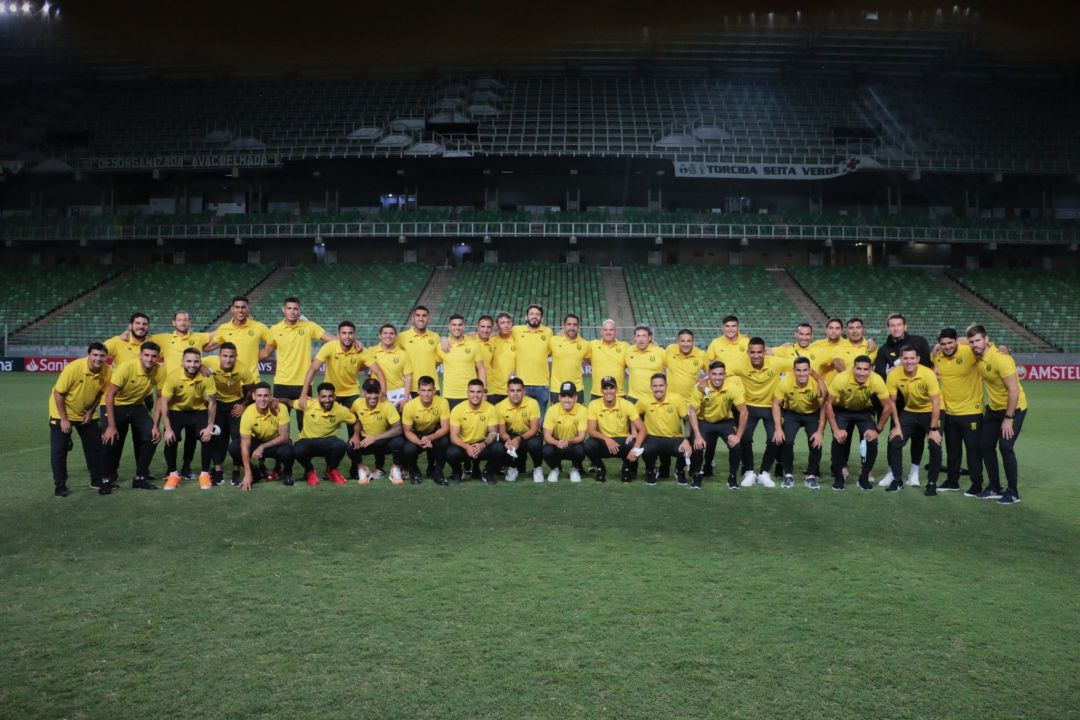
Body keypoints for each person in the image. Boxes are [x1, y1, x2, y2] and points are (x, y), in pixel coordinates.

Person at [968, 325, 1028, 505]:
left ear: (986, 340)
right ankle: (994, 486)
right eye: (972, 342)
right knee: (985, 445)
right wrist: (938, 346)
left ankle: (1013, 492)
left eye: (978, 340)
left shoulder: (1001, 359)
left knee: (1005, 446)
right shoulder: (976, 354)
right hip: (994, 409)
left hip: (1014, 408)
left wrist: (1008, 419)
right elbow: (961, 342)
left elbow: (1014, 391)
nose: (974, 345)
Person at [875, 313, 933, 488]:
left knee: (918, 437)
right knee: (894, 435)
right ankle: (893, 471)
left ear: (905, 326)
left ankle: (914, 472)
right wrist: (892, 371)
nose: (896, 328)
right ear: (888, 328)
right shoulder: (884, 349)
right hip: (897, 402)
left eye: (899, 324)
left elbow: (927, 367)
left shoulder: (920, 342)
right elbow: (880, 375)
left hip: (919, 400)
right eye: (892, 325)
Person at [260, 296, 335, 432]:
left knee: (304, 424)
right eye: (289, 308)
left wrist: (353, 342)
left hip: (303, 384)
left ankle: (303, 451)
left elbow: (332, 340)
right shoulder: (275, 329)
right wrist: (244, 360)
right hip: (282, 383)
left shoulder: (309, 326)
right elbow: (265, 353)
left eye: (295, 309)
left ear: (299, 311)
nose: (292, 311)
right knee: (280, 424)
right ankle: (284, 451)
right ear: (283, 310)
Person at [48, 342, 111, 497]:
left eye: (102, 356)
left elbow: (100, 394)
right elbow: (58, 393)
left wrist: (90, 412)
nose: (98, 358)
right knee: (59, 450)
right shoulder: (73, 368)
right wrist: (64, 419)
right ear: (88, 354)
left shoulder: (107, 371)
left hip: (85, 413)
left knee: (95, 447)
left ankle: (96, 480)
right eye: (95, 355)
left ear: (106, 357)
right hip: (61, 412)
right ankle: (60, 485)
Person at [825, 355, 893, 491]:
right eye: (858, 369)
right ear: (853, 368)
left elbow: (888, 406)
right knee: (838, 440)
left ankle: (864, 476)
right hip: (842, 411)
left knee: (872, 442)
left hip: (864, 412)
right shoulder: (841, 378)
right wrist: (836, 430)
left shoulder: (876, 380)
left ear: (871, 370)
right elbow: (828, 404)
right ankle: (839, 477)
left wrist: (877, 430)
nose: (861, 373)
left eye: (865, 369)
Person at [102, 342, 164, 490]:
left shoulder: (159, 371)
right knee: (110, 439)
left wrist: (156, 425)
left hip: (137, 405)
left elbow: (160, 398)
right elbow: (110, 395)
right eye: (146, 355)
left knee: (152, 436)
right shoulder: (126, 368)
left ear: (158, 358)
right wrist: (111, 426)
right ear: (140, 355)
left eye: (153, 356)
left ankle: (140, 477)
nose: (150, 359)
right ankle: (107, 479)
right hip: (115, 404)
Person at [728, 337, 789, 488]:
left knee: (774, 438)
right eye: (753, 352)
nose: (756, 356)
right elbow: (720, 371)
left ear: (765, 352)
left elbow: (800, 365)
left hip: (771, 407)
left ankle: (764, 473)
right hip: (749, 406)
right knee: (745, 438)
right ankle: (749, 471)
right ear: (747, 352)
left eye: (759, 352)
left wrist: (819, 380)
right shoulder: (740, 364)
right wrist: (704, 383)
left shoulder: (775, 362)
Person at [931, 328, 984, 494]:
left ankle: (977, 483)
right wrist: (935, 347)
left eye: (950, 342)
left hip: (971, 411)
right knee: (953, 450)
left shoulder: (969, 350)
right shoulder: (937, 355)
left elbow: (985, 345)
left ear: (956, 341)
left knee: (973, 450)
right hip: (949, 412)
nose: (946, 347)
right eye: (943, 343)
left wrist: (1005, 349)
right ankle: (952, 481)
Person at [884, 346, 942, 495]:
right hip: (910, 411)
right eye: (905, 358)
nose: (909, 361)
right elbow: (892, 402)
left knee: (935, 443)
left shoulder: (928, 374)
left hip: (930, 411)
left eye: (912, 358)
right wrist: (896, 426)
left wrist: (933, 429)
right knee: (895, 440)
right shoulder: (894, 375)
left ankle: (931, 483)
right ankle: (897, 480)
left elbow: (936, 402)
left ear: (918, 359)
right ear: (901, 359)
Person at [159, 348, 218, 490]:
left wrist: (210, 426)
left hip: (198, 410)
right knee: (170, 439)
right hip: (177, 410)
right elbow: (164, 402)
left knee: (207, 436)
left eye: (196, 361)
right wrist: (167, 428)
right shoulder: (173, 377)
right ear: (182, 362)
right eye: (189, 361)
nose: (192, 364)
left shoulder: (207, 376)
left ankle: (204, 475)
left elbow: (212, 402)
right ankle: (173, 475)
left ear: (200, 363)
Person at [201, 342, 259, 486]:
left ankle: (236, 470)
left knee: (237, 439)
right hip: (217, 403)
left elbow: (252, 389)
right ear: (219, 355)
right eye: (225, 356)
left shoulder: (242, 368)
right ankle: (218, 471)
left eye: (231, 356)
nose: (228, 359)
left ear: (236, 357)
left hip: (235, 404)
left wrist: (243, 405)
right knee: (217, 437)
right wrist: (201, 366)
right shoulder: (210, 361)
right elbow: (194, 363)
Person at [688, 361, 748, 489]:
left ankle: (732, 477)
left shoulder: (732, 387)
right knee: (697, 445)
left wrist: (738, 436)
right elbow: (692, 411)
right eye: (714, 374)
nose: (717, 377)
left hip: (724, 422)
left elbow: (744, 412)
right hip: (704, 422)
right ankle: (697, 475)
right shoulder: (700, 388)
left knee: (736, 445)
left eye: (721, 374)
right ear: (708, 374)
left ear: (725, 375)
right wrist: (697, 435)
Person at [771, 356, 826, 490]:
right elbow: (776, 404)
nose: (801, 373)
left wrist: (820, 432)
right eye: (798, 370)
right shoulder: (785, 382)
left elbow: (825, 407)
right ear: (793, 371)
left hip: (812, 414)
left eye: (804, 370)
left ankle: (811, 476)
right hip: (792, 414)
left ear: (810, 371)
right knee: (787, 441)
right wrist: (778, 429)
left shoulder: (816, 384)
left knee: (815, 443)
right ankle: (788, 474)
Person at [636, 373, 700, 486]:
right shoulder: (644, 400)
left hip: (674, 437)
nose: (658, 389)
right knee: (645, 449)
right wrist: (633, 432)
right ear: (651, 387)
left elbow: (687, 419)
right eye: (655, 386)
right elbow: (633, 416)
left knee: (684, 450)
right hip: (653, 437)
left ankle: (679, 471)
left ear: (666, 386)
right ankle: (651, 471)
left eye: (661, 385)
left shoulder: (676, 399)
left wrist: (686, 439)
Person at [232, 382, 295, 490]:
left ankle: (287, 472)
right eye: (259, 395)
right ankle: (254, 473)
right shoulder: (248, 413)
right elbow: (245, 444)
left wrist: (262, 447)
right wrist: (247, 473)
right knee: (234, 447)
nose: (263, 399)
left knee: (288, 449)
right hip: (258, 442)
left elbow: (284, 437)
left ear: (271, 397)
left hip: (276, 443)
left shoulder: (281, 408)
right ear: (253, 396)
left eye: (266, 395)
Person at [585, 375, 645, 483]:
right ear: (601, 390)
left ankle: (626, 468)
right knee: (589, 444)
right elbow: (591, 430)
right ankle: (600, 468)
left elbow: (643, 429)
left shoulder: (627, 404)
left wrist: (635, 448)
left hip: (622, 441)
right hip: (604, 442)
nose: (608, 391)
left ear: (616, 390)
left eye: (611, 388)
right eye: (605, 388)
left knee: (635, 443)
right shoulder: (593, 404)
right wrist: (606, 439)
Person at [294, 383, 356, 487]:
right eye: (323, 396)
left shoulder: (341, 410)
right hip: (308, 441)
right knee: (297, 449)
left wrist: (356, 436)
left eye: (330, 396)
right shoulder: (308, 404)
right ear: (318, 397)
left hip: (328, 441)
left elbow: (355, 421)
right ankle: (310, 471)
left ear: (334, 397)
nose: (327, 400)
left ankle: (331, 470)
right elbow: (289, 402)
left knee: (340, 445)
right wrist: (275, 400)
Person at [301, 320, 372, 411]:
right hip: (330, 391)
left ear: (354, 334)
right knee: (325, 422)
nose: (347, 336)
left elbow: (372, 367)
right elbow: (313, 369)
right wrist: (303, 394)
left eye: (350, 333)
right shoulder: (329, 347)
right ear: (338, 334)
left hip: (351, 392)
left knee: (355, 421)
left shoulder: (359, 349)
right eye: (344, 333)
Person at [347, 378, 406, 484]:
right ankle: (363, 469)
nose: (373, 396)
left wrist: (375, 437)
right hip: (365, 441)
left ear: (380, 392)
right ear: (363, 392)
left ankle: (395, 469)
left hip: (383, 440)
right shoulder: (357, 404)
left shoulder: (387, 405)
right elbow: (355, 421)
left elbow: (398, 428)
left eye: (376, 392)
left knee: (399, 441)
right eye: (369, 392)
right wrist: (355, 434)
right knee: (350, 445)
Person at [446, 379, 503, 484]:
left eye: (478, 392)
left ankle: (487, 472)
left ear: (483, 393)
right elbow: (453, 437)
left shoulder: (490, 408)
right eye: (472, 392)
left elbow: (493, 433)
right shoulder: (458, 409)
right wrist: (467, 447)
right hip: (463, 446)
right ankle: (458, 472)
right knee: (451, 452)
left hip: (481, 445)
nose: (475, 395)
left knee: (499, 448)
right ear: (467, 393)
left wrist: (483, 444)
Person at [401, 375, 452, 484]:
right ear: (418, 391)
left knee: (444, 441)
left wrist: (429, 437)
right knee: (409, 449)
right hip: (416, 434)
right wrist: (420, 442)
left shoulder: (442, 402)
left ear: (434, 390)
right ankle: (414, 472)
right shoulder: (409, 406)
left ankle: (437, 472)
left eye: (429, 390)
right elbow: (407, 431)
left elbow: (445, 428)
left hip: (433, 433)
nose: (426, 394)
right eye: (423, 390)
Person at [495, 377, 544, 483]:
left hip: (529, 435)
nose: (515, 394)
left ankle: (537, 468)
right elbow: (502, 432)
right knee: (501, 443)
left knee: (535, 443)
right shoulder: (499, 407)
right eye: (512, 390)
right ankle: (512, 468)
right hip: (511, 436)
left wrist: (520, 438)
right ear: (507, 391)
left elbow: (534, 429)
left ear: (523, 391)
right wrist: (509, 441)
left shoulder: (532, 403)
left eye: (518, 390)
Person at [541, 381, 589, 483]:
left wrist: (569, 441)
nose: (567, 400)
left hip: (573, 443)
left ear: (576, 398)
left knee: (581, 450)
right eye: (564, 396)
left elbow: (581, 437)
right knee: (546, 450)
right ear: (559, 397)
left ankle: (575, 469)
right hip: (556, 443)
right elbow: (547, 436)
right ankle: (555, 468)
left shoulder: (583, 410)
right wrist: (557, 442)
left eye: (570, 396)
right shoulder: (552, 410)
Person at [512, 304, 553, 417]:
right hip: (521, 384)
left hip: (542, 385)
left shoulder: (548, 332)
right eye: (531, 314)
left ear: (542, 318)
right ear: (526, 317)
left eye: (537, 314)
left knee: (540, 420)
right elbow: (500, 335)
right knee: (522, 420)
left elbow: (549, 352)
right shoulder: (516, 330)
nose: (534, 316)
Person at [209, 295, 272, 369]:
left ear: (248, 309)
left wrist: (261, 355)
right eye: (237, 307)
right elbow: (208, 348)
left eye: (243, 307)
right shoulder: (224, 328)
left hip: (252, 378)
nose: (240, 310)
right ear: (232, 309)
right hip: (230, 378)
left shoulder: (259, 327)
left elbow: (272, 341)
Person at [437, 314, 486, 409]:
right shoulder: (441, 346)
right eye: (454, 325)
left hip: (470, 395)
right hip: (450, 395)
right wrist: (442, 338)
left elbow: (481, 368)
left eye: (460, 325)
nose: (457, 327)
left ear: (464, 326)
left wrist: (483, 391)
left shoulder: (473, 344)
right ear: (449, 327)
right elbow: (432, 364)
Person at [362, 323, 409, 410]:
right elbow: (366, 372)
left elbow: (408, 378)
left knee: (399, 423)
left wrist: (405, 398)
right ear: (380, 336)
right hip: (378, 394)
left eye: (391, 333)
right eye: (385, 333)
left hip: (398, 395)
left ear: (395, 336)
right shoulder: (371, 351)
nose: (388, 336)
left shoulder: (403, 354)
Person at [397, 305, 440, 395]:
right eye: (418, 315)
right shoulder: (401, 337)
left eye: (424, 316)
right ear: (413, 318)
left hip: (431, 387)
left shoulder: (435, 337)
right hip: (410, 388)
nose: (421, 318)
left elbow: (438, 360)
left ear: (428, 319)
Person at [548, 314, 590, 405]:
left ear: (578, 326)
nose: (572, 327)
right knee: (557, 418)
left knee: (578, 418)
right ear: (564, 326)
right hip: (557, 389)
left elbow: (592, 361)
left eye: (575, 325)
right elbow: (542, 356)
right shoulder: (553, 341)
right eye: (569, 324)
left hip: (577, 389)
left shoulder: (584, 344)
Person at [587, 319, 629, 400]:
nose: (608, 332)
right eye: (605, 330)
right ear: (601, 332)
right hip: (597, 394)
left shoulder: (625, 347)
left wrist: (651, 344)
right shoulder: (592, 345)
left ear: (615, 331)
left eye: (611, 330)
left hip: (618, 394)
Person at [625, 325, 665, 404]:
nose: (641, 339)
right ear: (634, 338)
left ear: (649, 338)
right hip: (633, 398)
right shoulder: (628, 351)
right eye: (638, 336)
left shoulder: (660, 352)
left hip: (654, 398)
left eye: (644, 336)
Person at [664, 329, 707, 401]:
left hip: (690, 401)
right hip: (670, 401)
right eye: (682, 341)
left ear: (693, 341)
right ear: (678, 341)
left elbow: (712, 371)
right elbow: (662, 365)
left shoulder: (701, 355)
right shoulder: (670, 349)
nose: (686, 344)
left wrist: (704, 380)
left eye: (689, 341)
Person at [485, 312, 517, 406]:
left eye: (508, 322)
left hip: (512, 389)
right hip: (494, 390)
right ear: (497, 325)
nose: (506, 325)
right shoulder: (491, 341)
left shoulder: (517, 340)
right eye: (502, 323)